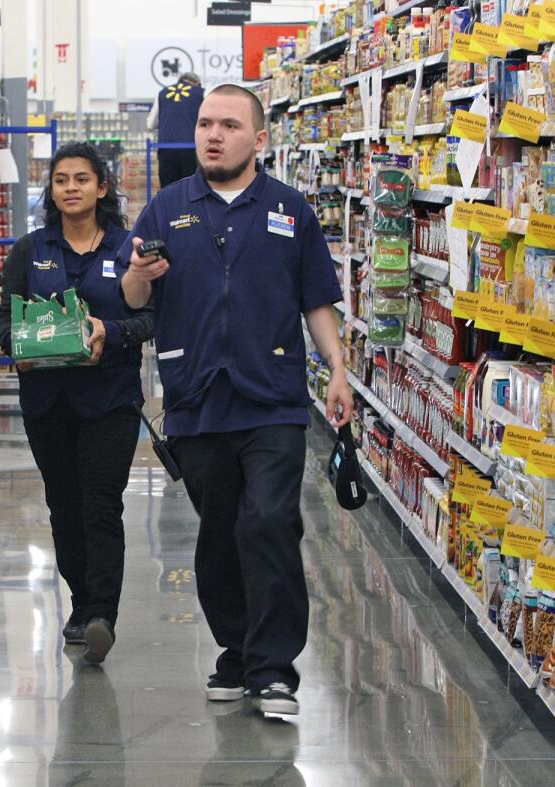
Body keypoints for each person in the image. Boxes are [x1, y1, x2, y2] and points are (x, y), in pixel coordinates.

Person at [118, 84, 354, 718]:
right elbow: (134, 300)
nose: (212, 135)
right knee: (220, 532)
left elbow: (316, 300)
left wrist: (336, 367)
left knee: (270, 521)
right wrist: (139, 277)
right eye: (203, 124)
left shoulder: (290, 210)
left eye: (227, 124)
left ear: (259, 138)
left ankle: (274, 667)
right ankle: (237, 651)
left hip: (272, 398)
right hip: (195, 397)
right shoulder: (166, 210)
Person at [0, 142, 155, 664]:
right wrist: (17, 348)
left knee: (101, 503)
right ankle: (80, 602)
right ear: (52, 191)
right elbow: (4, 318)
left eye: (81, 179)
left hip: (110, 398)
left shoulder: (128, 248)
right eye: (61, 180)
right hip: (48, 401)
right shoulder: (30, 249)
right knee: (63, 507)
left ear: (101, 187)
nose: (70, 188)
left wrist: (113, 331)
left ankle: (102, 612)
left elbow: (152, 320)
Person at [147, 72, 203, 187]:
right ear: (196, 83)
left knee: (169, 190)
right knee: (192, 189)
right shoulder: (201, 93)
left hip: (166, 149)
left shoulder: (162, 93)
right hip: (192, 149)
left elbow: (150, 124)